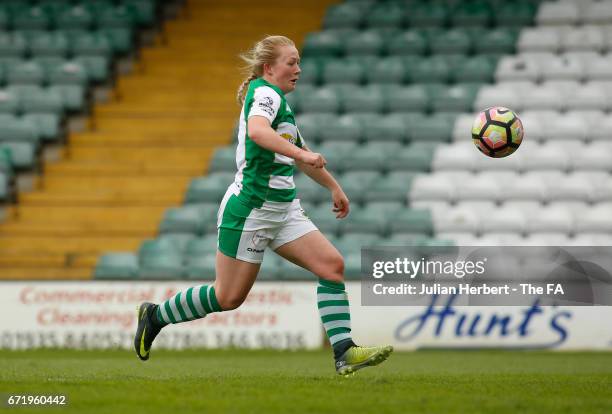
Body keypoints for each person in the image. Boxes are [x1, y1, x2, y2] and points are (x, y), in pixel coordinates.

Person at [134, 35, 393, 376]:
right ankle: (155, 315)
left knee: (331, 266)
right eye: (291, 62)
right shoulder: (265, 93)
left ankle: (344, 351)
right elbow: (258, 132)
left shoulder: (279, 102)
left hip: (282, 209)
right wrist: (302, 153)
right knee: (228, 298)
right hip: (252, 209)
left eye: (298, 62)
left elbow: (299, 153)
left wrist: (333, 187)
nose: (298, 69)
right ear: (269, 68)